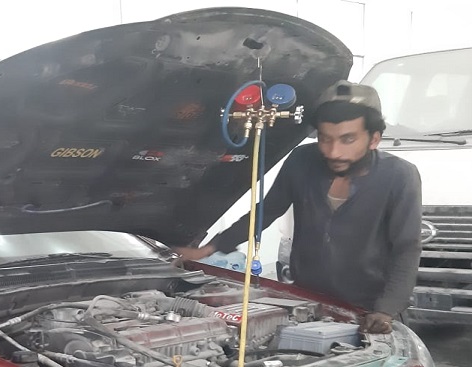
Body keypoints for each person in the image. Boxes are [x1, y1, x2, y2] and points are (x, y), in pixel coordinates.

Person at [175, 81, 423, 334]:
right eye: (325, 139)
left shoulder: (399, 175)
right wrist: (209, 248)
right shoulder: (302, 160)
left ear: (374, 139)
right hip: (308, 302)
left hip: (370, 311)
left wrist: (386, 310)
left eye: (347, 139)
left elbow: (407, 247)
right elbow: (267, 211)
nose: (334, 152)